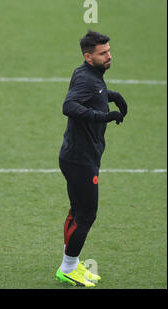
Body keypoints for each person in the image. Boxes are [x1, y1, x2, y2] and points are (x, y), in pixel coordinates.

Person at [56, 30, 128, 287]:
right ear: (88, 57)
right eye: (103, 53)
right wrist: (103, 116)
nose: (109, 56)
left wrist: (111, 95)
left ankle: (71, 265)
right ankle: (67, 268)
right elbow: (69, 106)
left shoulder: (87, 74)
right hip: (80, 160)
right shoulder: (87, 78)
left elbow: (92, 93)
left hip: (78, 156)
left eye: (108, 51)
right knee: (86, 216)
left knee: (77, 212)